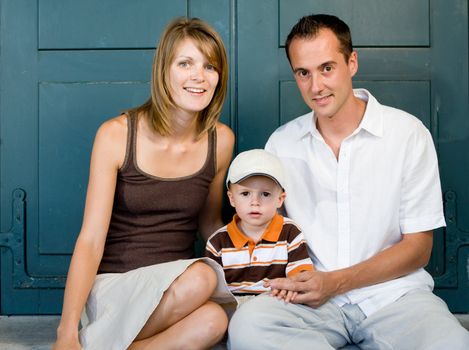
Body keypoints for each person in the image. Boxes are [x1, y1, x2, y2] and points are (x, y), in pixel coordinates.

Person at [228, 14, 469, 349]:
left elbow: (419, 248)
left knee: (454, 343)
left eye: (327, 68)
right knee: (247, 328)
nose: (316, 86)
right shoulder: (281, 144)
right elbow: (267, 232)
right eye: (303, 73)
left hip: (395, 297)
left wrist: (335, 282)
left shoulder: (407, 134)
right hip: (311, 302)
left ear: (351, 62)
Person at [53, 17, 236, 350]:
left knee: (215, 320)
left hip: (175, 290)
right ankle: (87, 337)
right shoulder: (116, 135)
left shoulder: (220, 140)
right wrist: (65, 333)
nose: (199, 76)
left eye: (210, 67)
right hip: (117, 287)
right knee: (203, 278)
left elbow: (208, 223)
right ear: (163, 71)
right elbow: (91, 239)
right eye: (185, 63)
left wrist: (255, 265)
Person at [205, 149, 313, 302]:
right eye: (245, 194)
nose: (255, 202)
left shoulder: (290, 233)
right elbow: (213, 292)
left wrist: (291, 286)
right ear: (232, 198)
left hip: (272, 304)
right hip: (231, 307)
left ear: (280, 199)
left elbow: (301, 279)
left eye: (265, 194)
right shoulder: (217, 242)